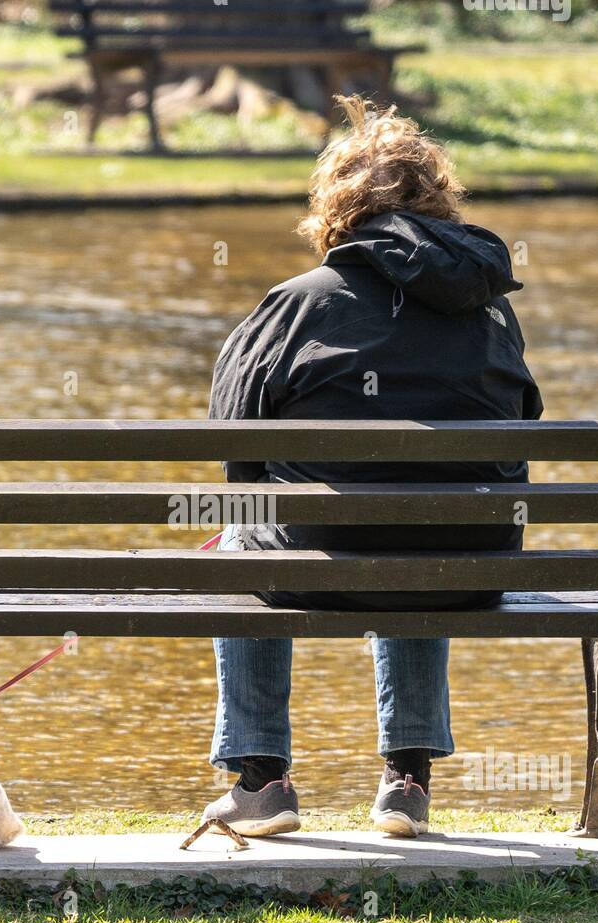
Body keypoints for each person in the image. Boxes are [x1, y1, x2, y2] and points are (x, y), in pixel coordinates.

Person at [202, 96, 543, 838]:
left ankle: (261, 783)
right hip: (469, 565)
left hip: (320, 563)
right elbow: (520, 425)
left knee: (240, 540)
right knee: (426, 528)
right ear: (440, 201)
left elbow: (234, 447)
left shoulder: (296, 305)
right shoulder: (490, 311)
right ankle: (406, 786)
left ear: (338, 207)